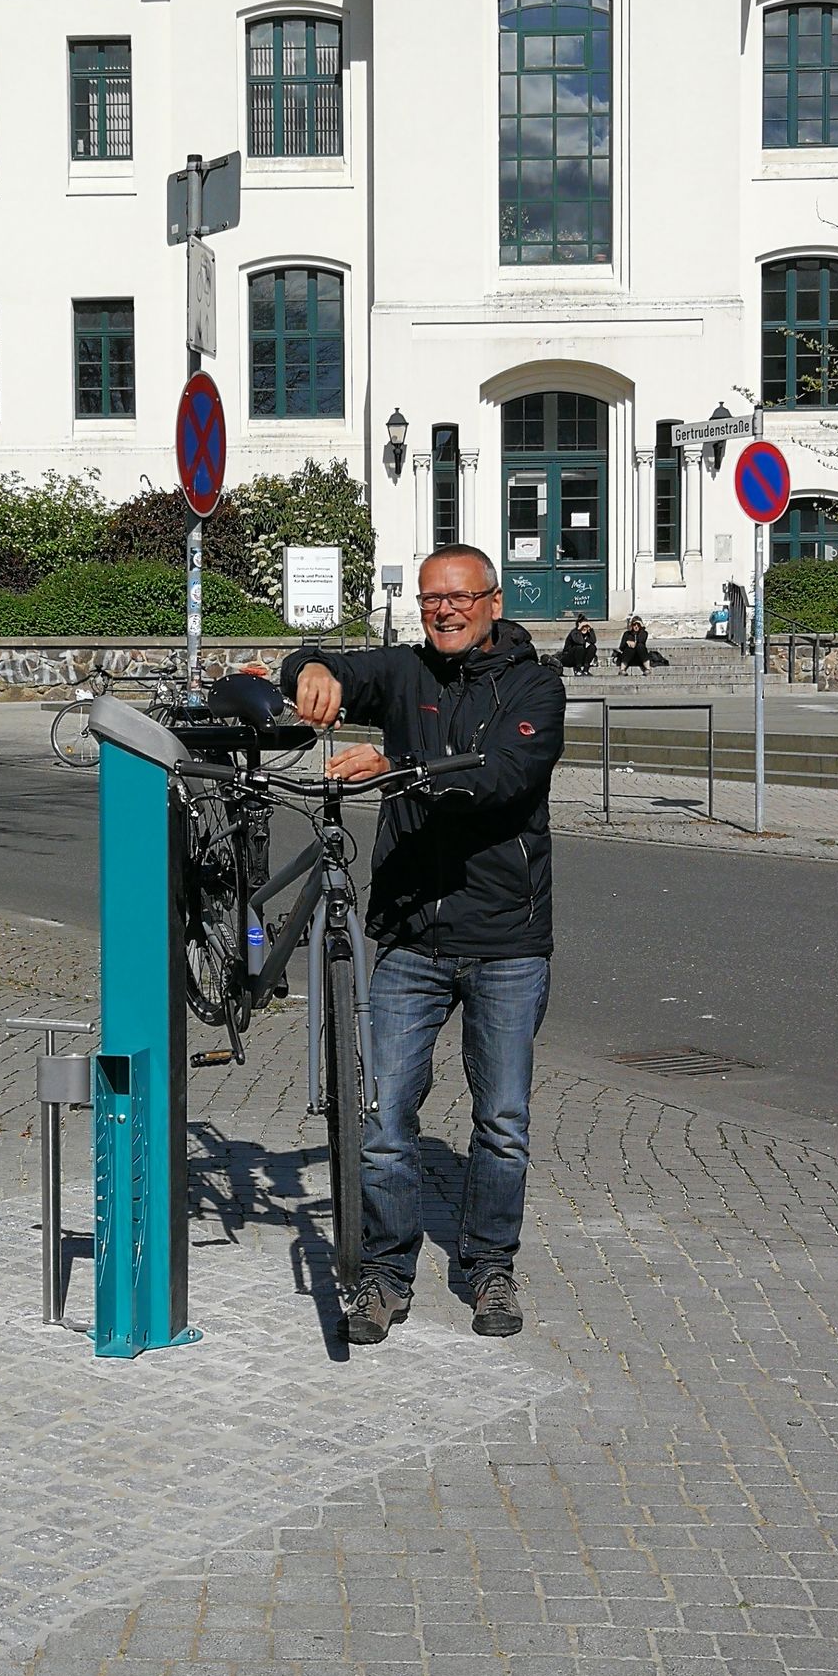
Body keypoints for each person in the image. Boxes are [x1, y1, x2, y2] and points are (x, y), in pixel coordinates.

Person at [280, 544, 565, 1346]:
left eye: (459, 597)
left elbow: (500, 776)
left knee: (502, 1119)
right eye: (431, 598)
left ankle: (488, 1265)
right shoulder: (406, 674)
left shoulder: (537, 686)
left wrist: (395, 763)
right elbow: (324, 663)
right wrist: (310, 671)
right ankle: (385, 1270)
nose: (443, 610)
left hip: (507, 937)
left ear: (492, 602)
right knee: (382, 1116)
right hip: (409, 932)